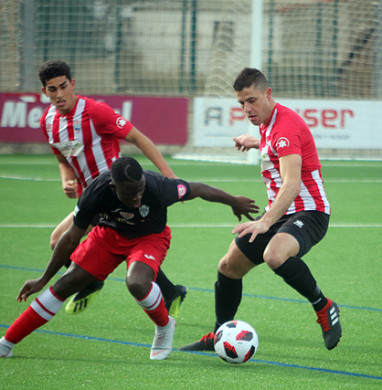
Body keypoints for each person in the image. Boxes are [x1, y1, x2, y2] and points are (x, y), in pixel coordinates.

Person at [0, 157, 259, 360]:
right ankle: (6, 344)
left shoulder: (159, 187)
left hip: (150, 238)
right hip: (108, 236)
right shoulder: (96, 192)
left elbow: (199, 189)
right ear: (114, 187)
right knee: (64, 285)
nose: (137, 198)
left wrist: (232, 201)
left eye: (140, 192)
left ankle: (164, 326)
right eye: (129, 194)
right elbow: (69, 238)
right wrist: (44, 278)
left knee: (136, 282)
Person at [180, 68, 342, 352]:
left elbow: (292, 184)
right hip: (281, 213)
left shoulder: (285, 127)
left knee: (274, 255)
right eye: (242, 103)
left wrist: (265, 222)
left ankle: (324, 306)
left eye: (252, 100)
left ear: (268, 94)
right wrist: (253, 141)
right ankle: (220, 334)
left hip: (309, 212)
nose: (247, 109)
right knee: (228, 266)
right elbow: (276, 145)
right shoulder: (269, 124)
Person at [38, 59, 185, 316]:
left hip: (114, 195)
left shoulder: (95, 112)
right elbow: (64, 159)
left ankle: (93, 279)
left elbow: (139, 138)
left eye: (63, 86)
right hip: (89, 198)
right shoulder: (48, 122)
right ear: (44, 92)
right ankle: (170, 292)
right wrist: (66, 180)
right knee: (59, 243)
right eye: (52, 89)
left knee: (71, 243)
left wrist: (169, 176)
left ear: (72, 84)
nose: (60, 94)